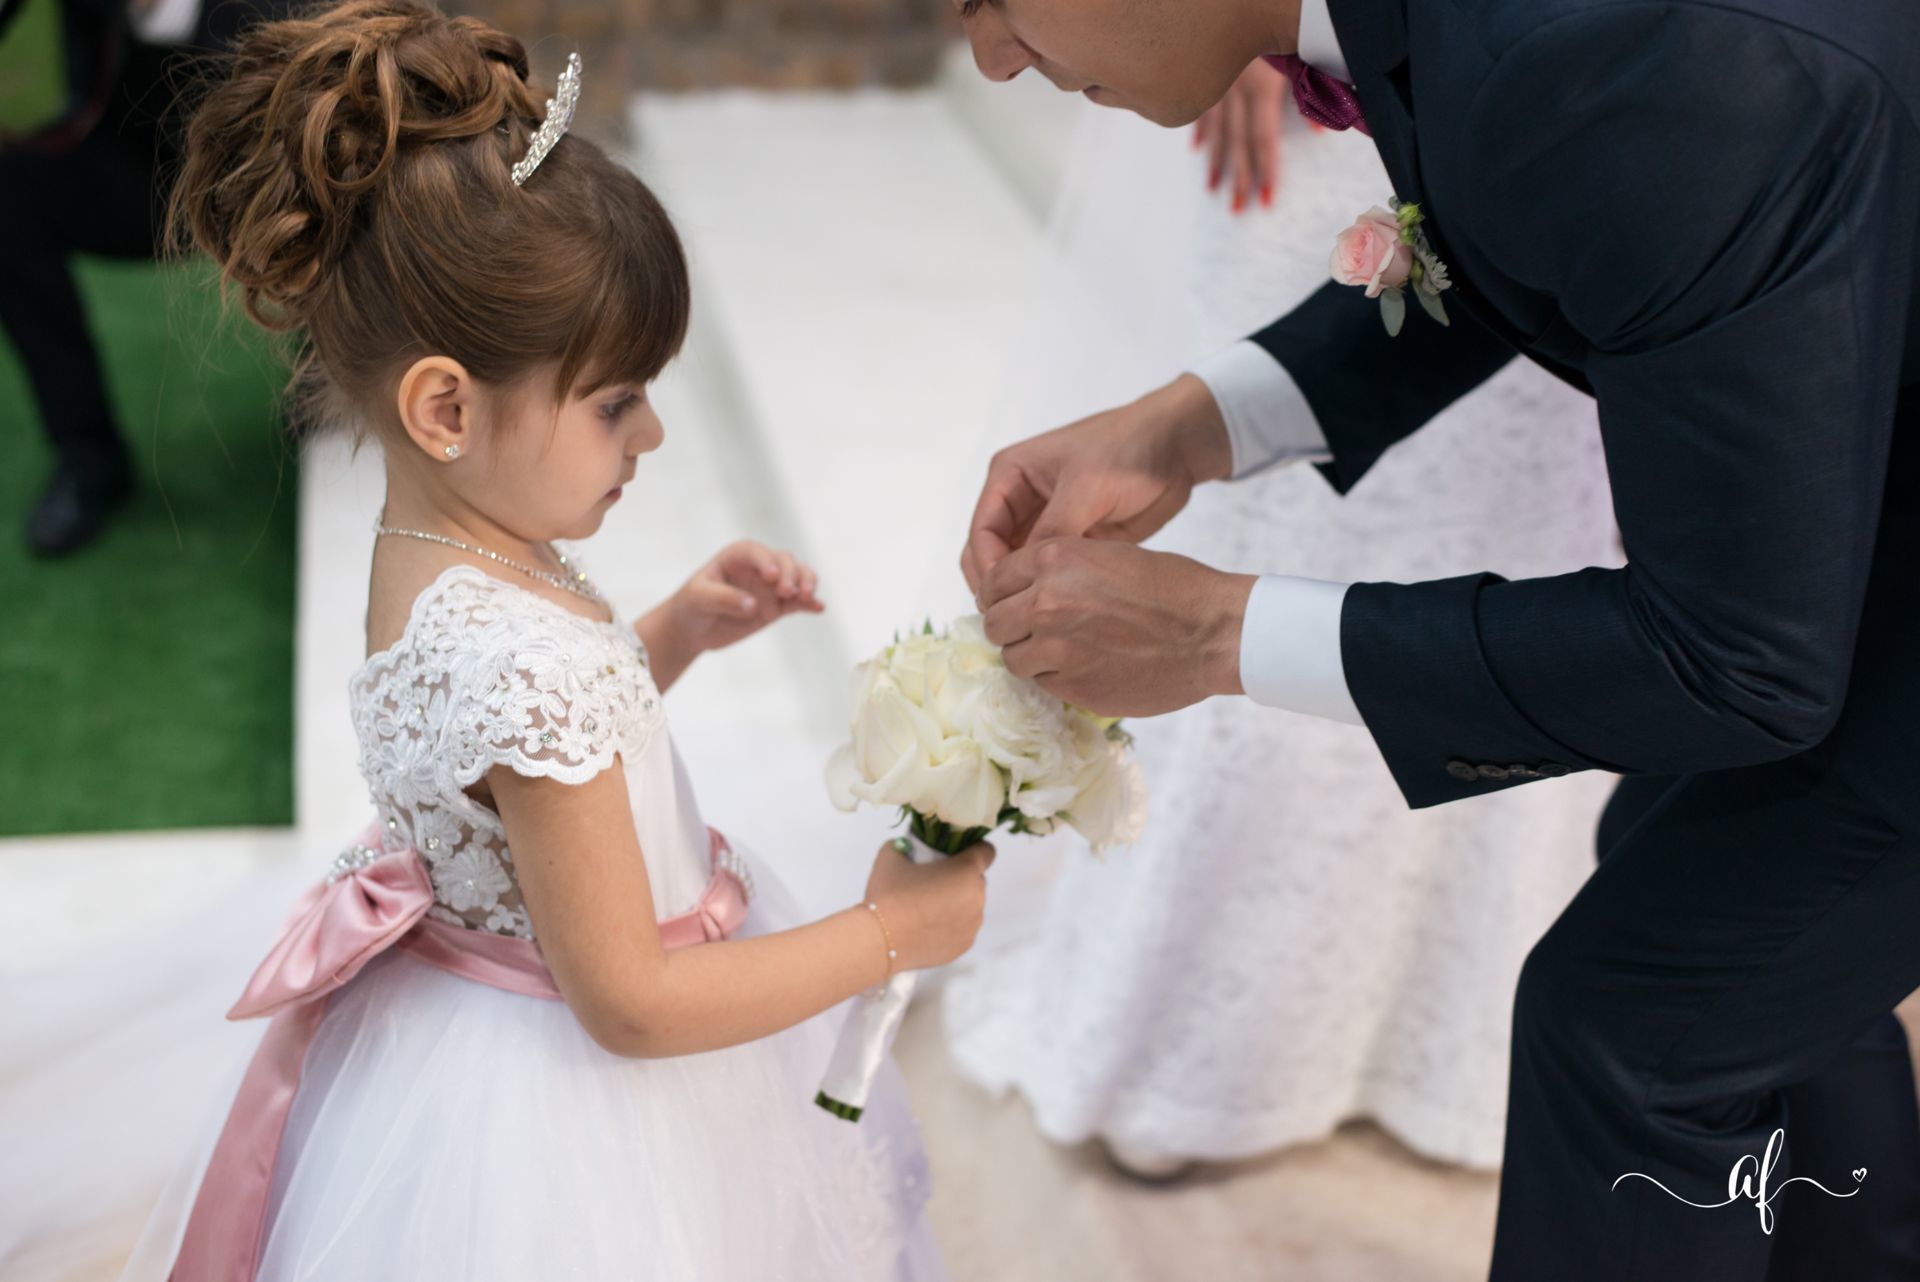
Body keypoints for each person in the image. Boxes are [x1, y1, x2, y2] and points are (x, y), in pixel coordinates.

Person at [952, 0, 1920, 1278]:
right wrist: (1189, 425)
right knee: (1708, 915)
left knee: (1636, 1026)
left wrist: (1215, 632)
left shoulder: (1618, 60)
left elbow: (1732, 662)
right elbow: (1545, 223)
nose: (988, 54)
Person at [115, 4, 992, 1277]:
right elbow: (631, 1002)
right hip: (575, 1113)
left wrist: (672, 631)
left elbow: (508, 755)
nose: (652, 439)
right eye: (619, 401)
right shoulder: (521, 649)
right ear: (444, 407)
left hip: (455, 1018)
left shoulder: (430, 554)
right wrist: (888, 934)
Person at [942, 61, 1618, 1180]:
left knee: (1533, 530)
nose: (994, 60)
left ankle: (1466, 1020)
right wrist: (1259, 37)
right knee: (1270, 528)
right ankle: (1214, 1031)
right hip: (1325, 116)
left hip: (1567, 107)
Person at [0, 0, 284, 555]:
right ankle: (88, 458)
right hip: (142, 169)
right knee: (8, 198)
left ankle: (328, 385)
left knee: (349, 172)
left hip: (274, 167)